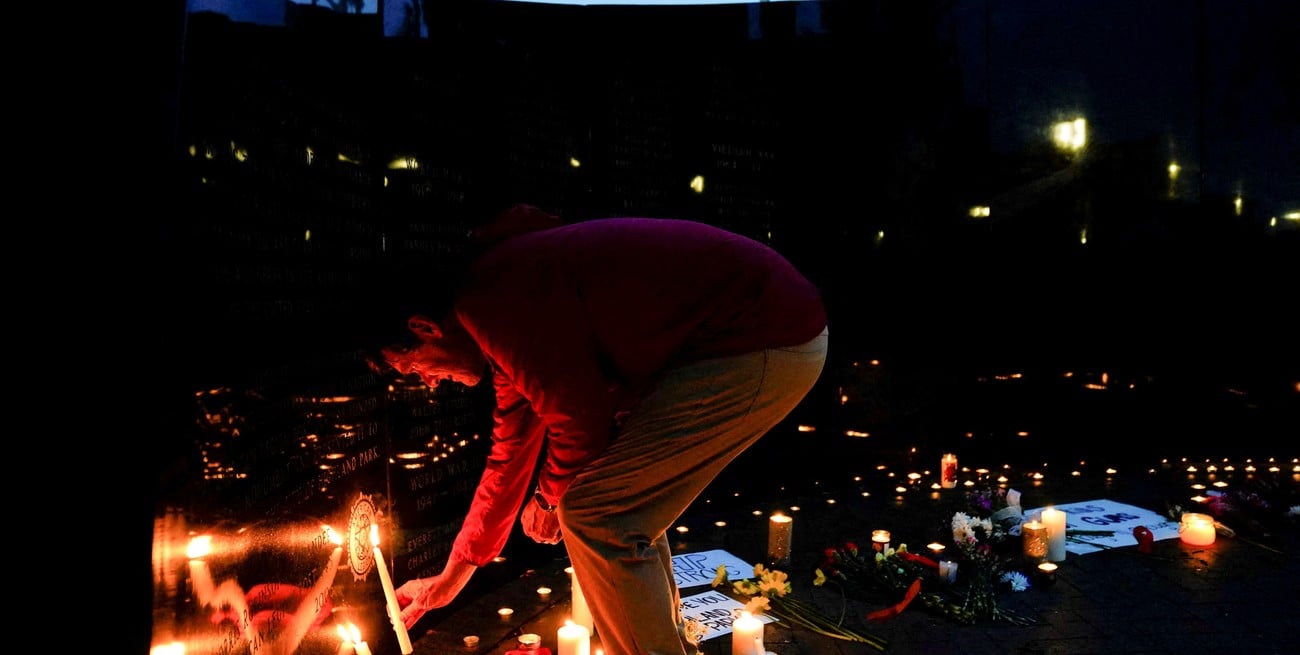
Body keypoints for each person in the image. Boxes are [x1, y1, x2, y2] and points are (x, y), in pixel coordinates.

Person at [381, 204, 828, 655]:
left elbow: (580, 418)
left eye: (411, 366)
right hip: (759, 331)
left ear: (424, 328)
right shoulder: (499, 306)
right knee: (614, 506)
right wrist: (450, 579)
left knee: (600, 514)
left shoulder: (493, 300)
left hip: (761, 334)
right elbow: (508, 456)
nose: (429, 382)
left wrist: (550, 496)